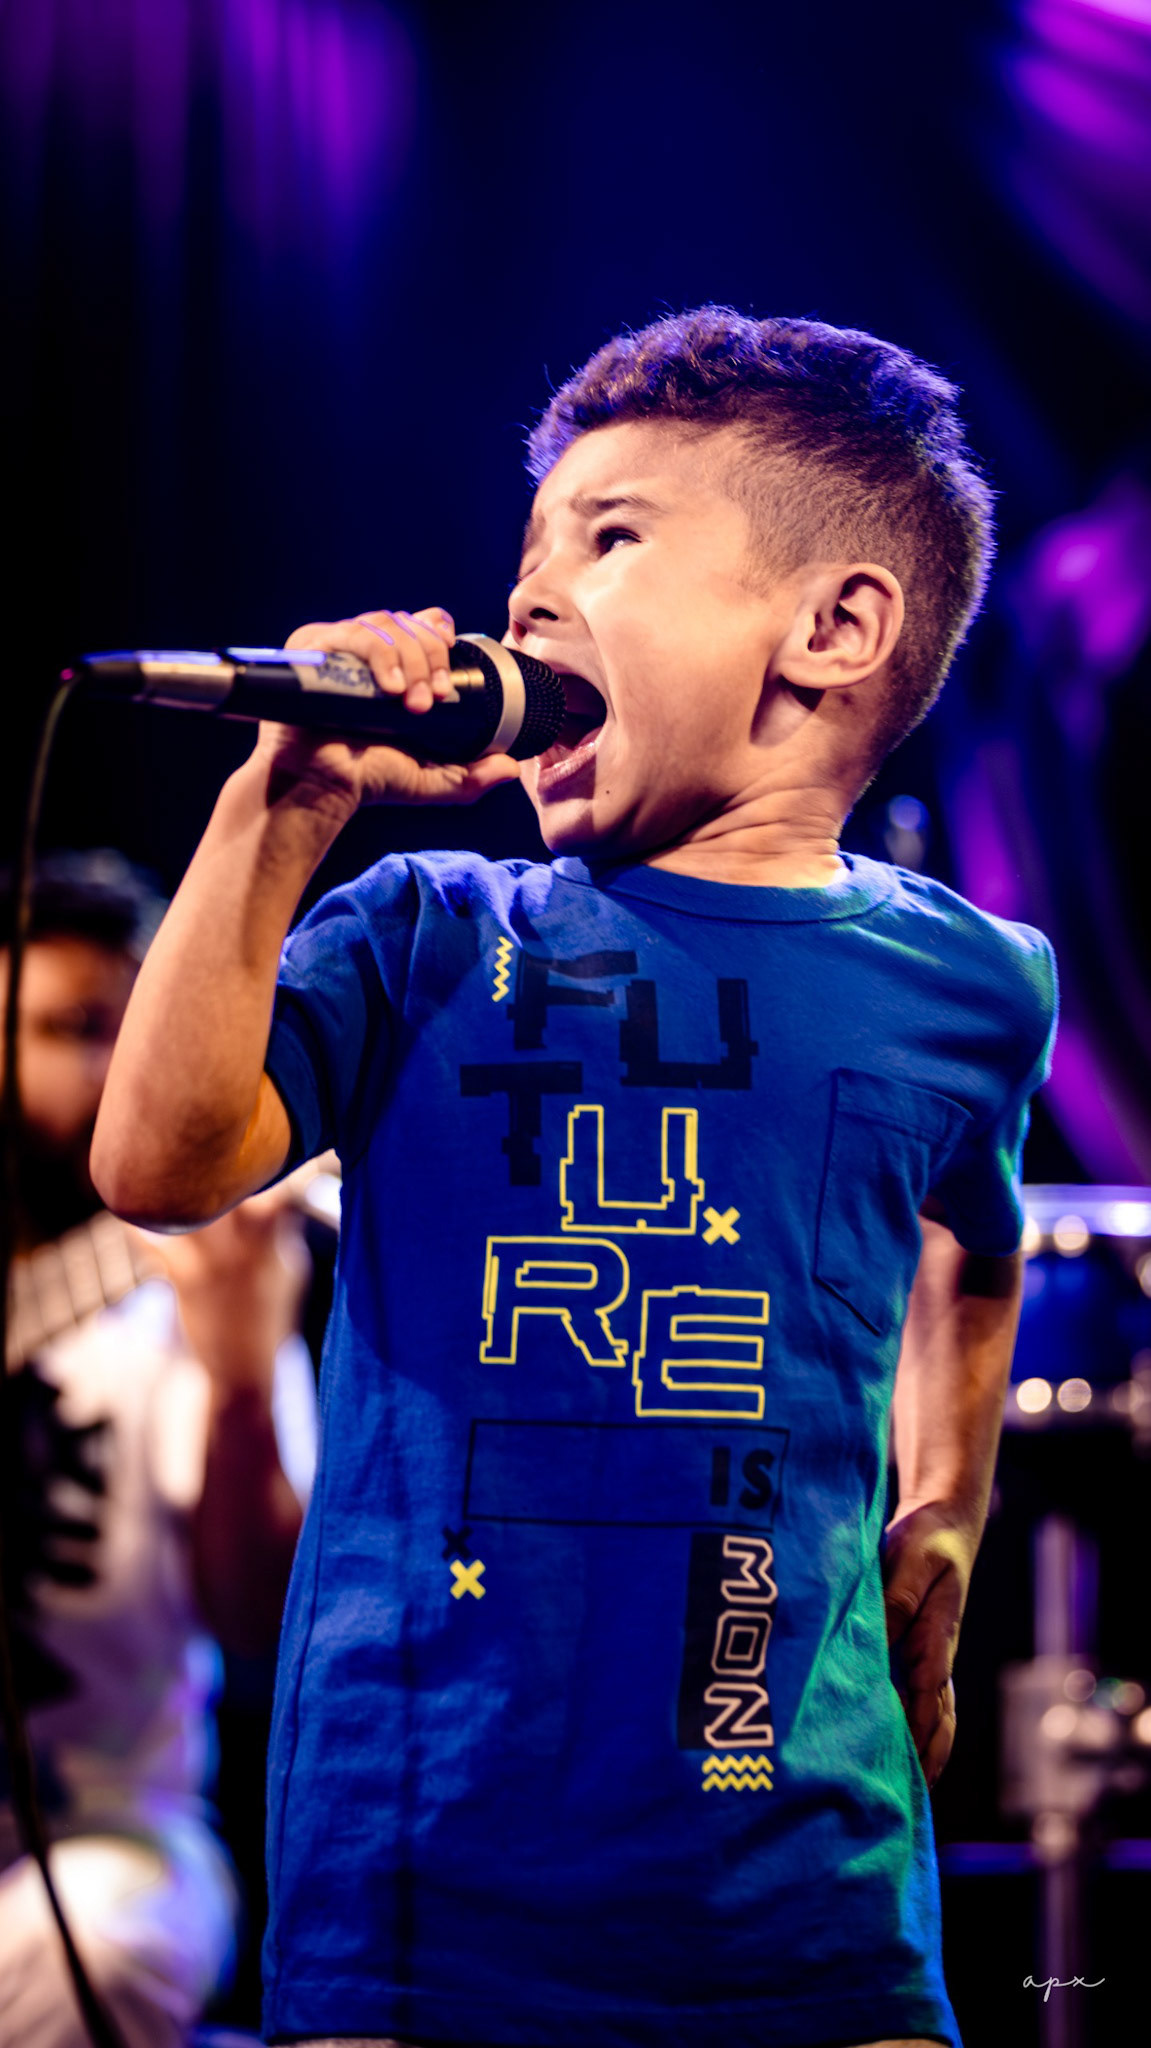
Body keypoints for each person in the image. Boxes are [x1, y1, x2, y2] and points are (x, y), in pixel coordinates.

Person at [91, 310, 1058, 2048]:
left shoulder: (971, 986)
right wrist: (283, 800)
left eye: (608, 538)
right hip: (421, 1896)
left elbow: (974, 1244)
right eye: (525, 557)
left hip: (806, 1895)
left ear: (833, 631)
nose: (526, 601)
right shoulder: (424, 932)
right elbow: (157, 1160)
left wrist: (947, 1501)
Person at [0, 851, 317, 2048]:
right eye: (71, 1028)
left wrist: (239, 1382)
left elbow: (261, 1619)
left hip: (106, 1842)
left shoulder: (197, 1285)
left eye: (124, 1031)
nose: (114, 1072)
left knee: (92, 1949)